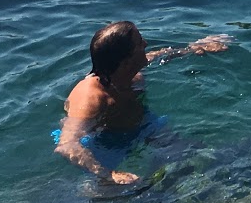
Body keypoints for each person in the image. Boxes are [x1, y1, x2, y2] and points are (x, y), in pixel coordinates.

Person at [54, 21, 229, 185]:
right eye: (139, 43)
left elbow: (155, 56)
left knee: (203, 156)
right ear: (126, 60)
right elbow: (66, 145)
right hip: (104, 143)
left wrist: (193, 48)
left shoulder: (130, 74)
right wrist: (108, 174)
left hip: (144, 127)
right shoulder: (90, 97)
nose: (145, 43)